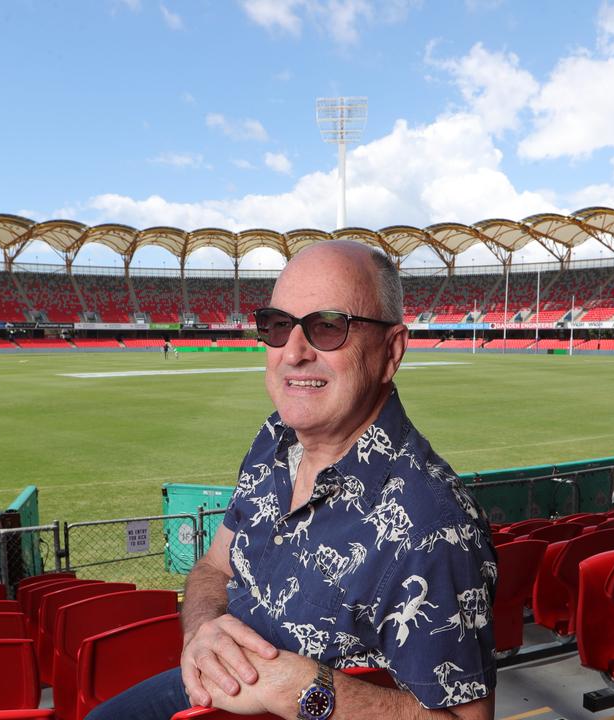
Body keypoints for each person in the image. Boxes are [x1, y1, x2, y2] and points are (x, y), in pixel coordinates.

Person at [86, 241, 497, 719]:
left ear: (391, 351)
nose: (293, 352)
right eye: (279, 326)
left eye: (328, 326)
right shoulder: (274, 439)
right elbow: (214, 568)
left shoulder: (433, 527)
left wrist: (306, 691)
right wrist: (204, 630)